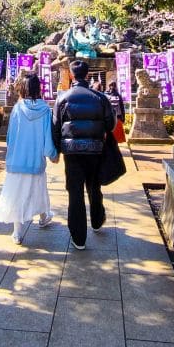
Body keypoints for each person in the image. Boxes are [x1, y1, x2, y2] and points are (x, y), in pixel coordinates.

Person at [52, 59, 115, 249]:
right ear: (87, 75)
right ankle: (97, 220)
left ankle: (78, 238)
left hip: (71, 153)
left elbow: (55, 127)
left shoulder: (63, 98)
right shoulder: (100, 97)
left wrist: (57, 150)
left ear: (71, 75)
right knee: (94, 187)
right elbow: (111, 124)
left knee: (75, 192)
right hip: (95, 149)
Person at [0, 73, 58, 244]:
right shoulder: (45, 110)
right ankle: (44, 217)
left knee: (16, 195)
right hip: (35, 160)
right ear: (38, 88)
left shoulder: (17, 108)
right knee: (39, 190)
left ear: (21, 88)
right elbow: (47, 137)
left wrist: (12, 153)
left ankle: (17, 233)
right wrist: (52, 154)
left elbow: (10, 137)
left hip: (17, 159)